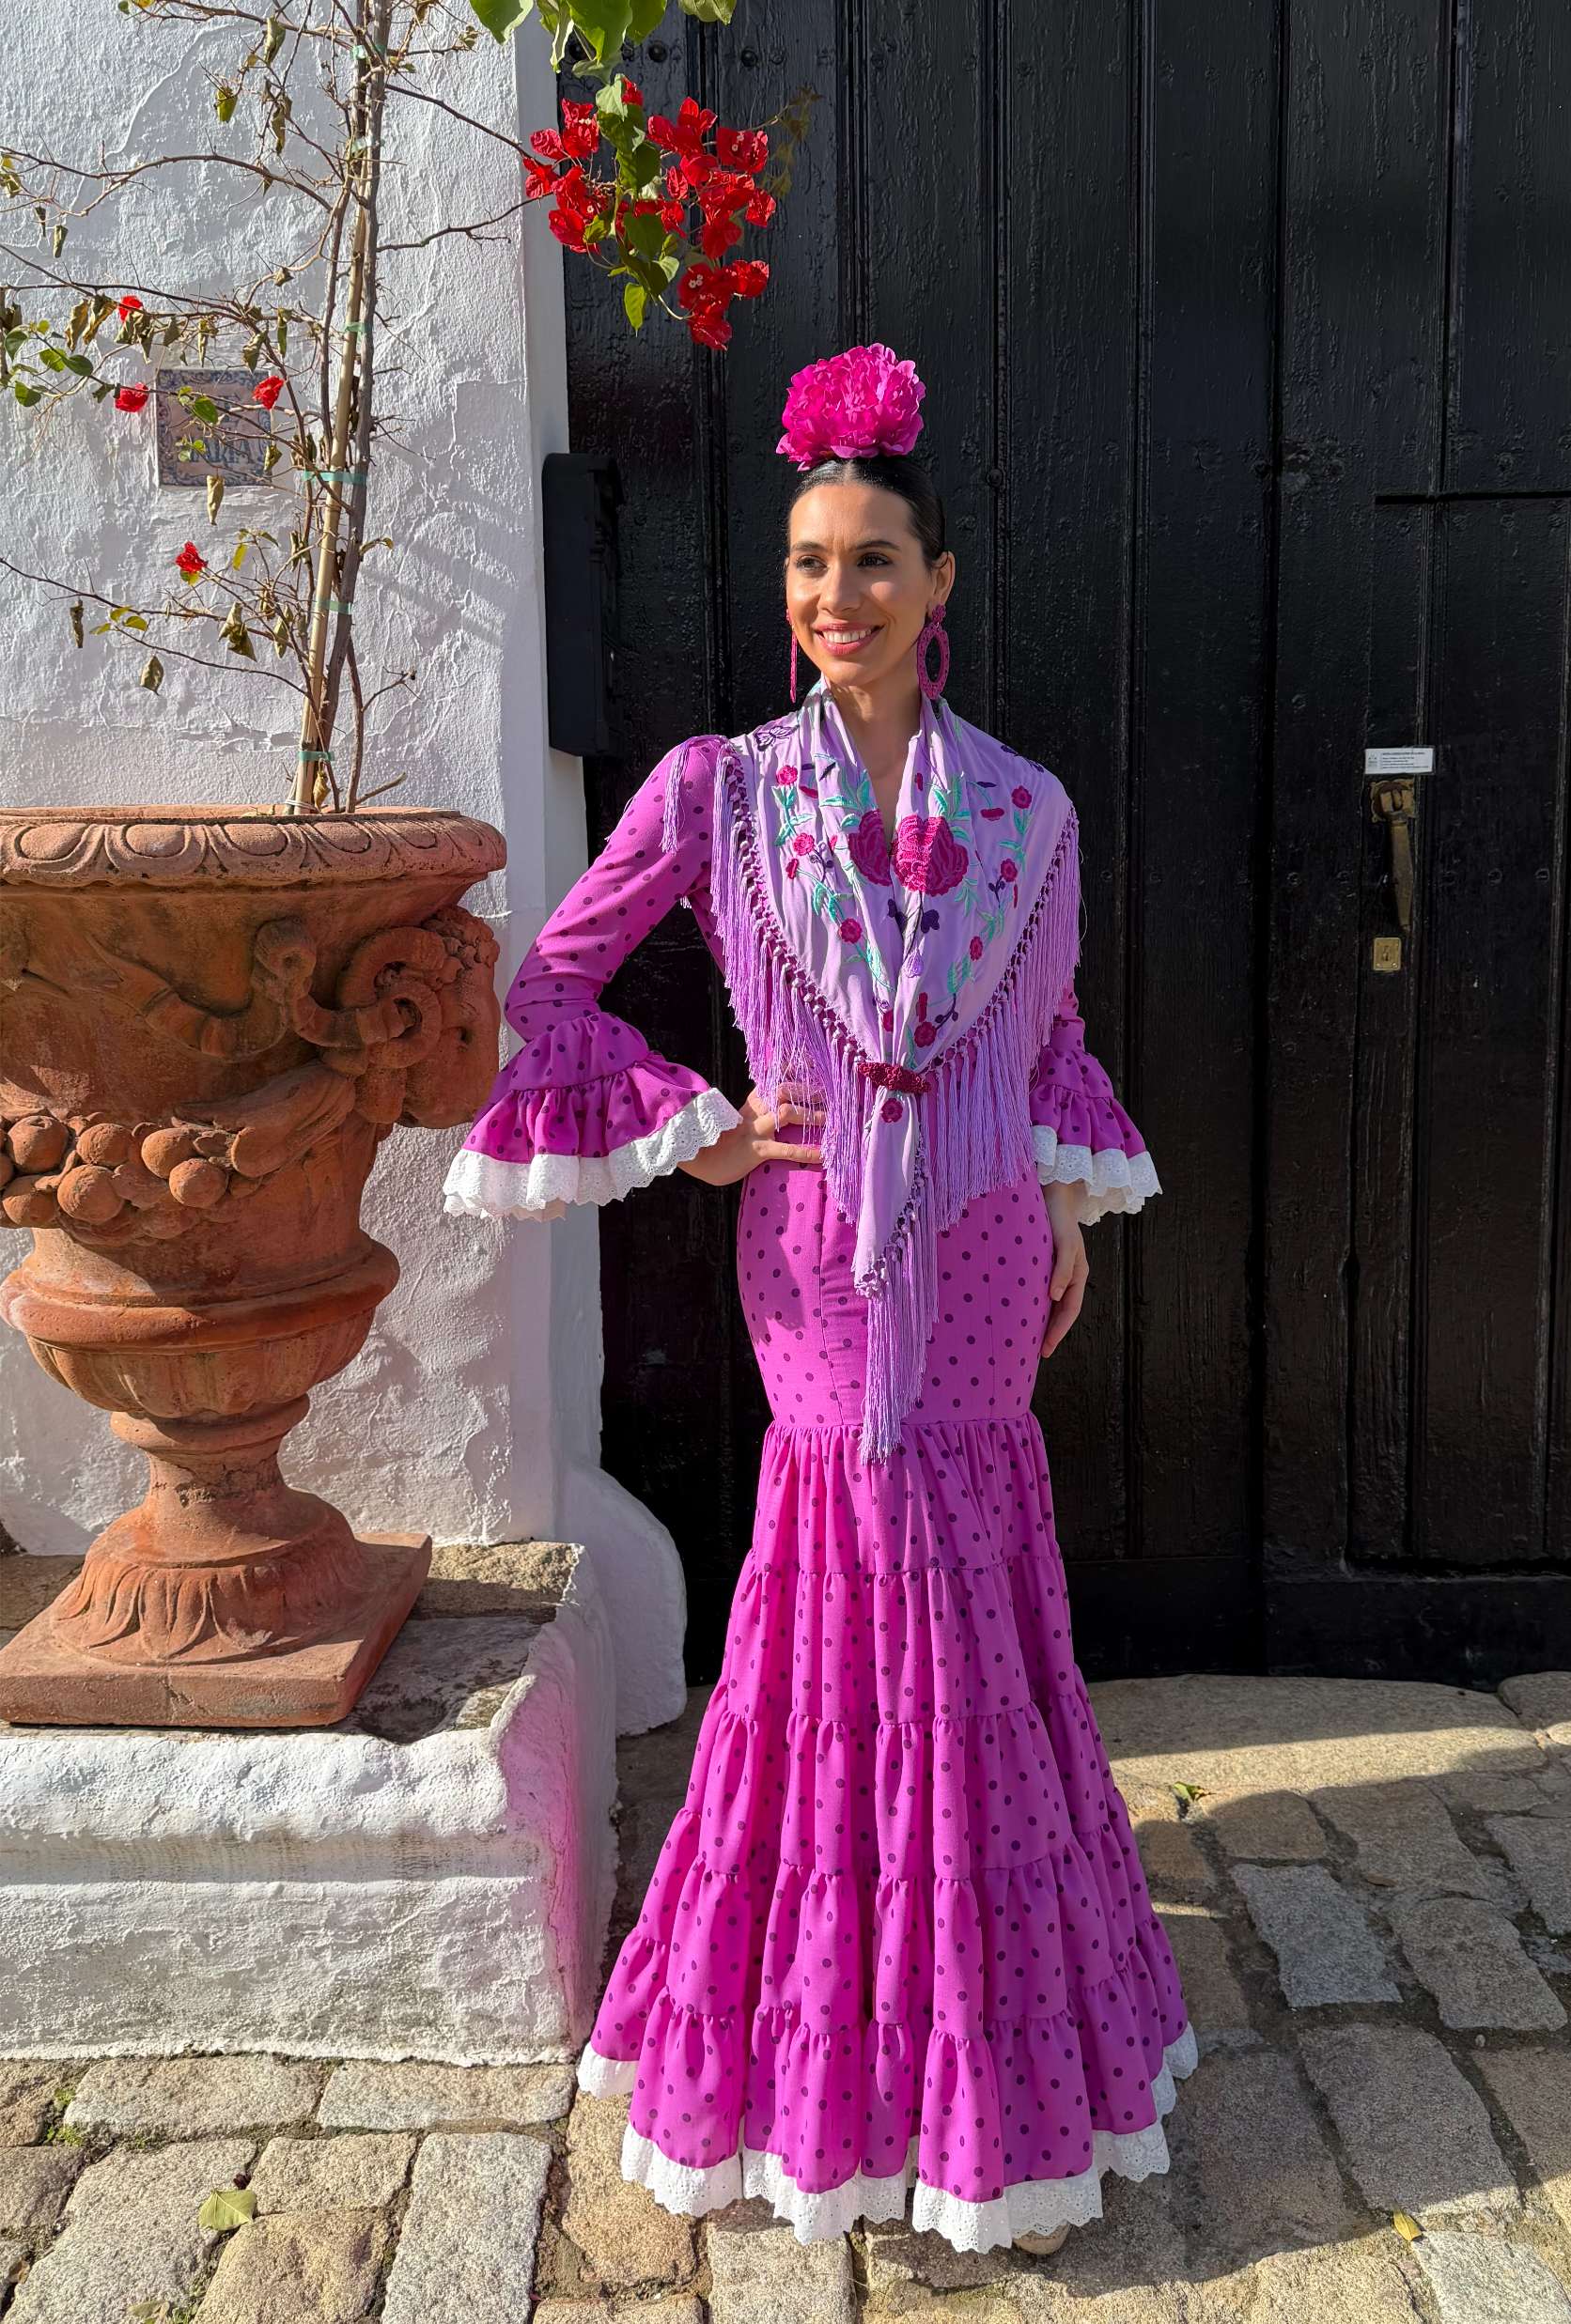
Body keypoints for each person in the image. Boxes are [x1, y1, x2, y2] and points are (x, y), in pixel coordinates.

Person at [443, 343, 1196, 2257]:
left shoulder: (1027, 813)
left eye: (872, 561)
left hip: (983, 1266)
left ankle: (991, 2059)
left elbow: (1050, 1037)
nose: (834, 597)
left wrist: (1067, 1213)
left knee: (973, 1614)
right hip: (813, 1271)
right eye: (805, 562)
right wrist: (697, 1128)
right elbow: (547, 987)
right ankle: (829, 2039)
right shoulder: (716, 793)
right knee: (846, 1581)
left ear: (939, 584)